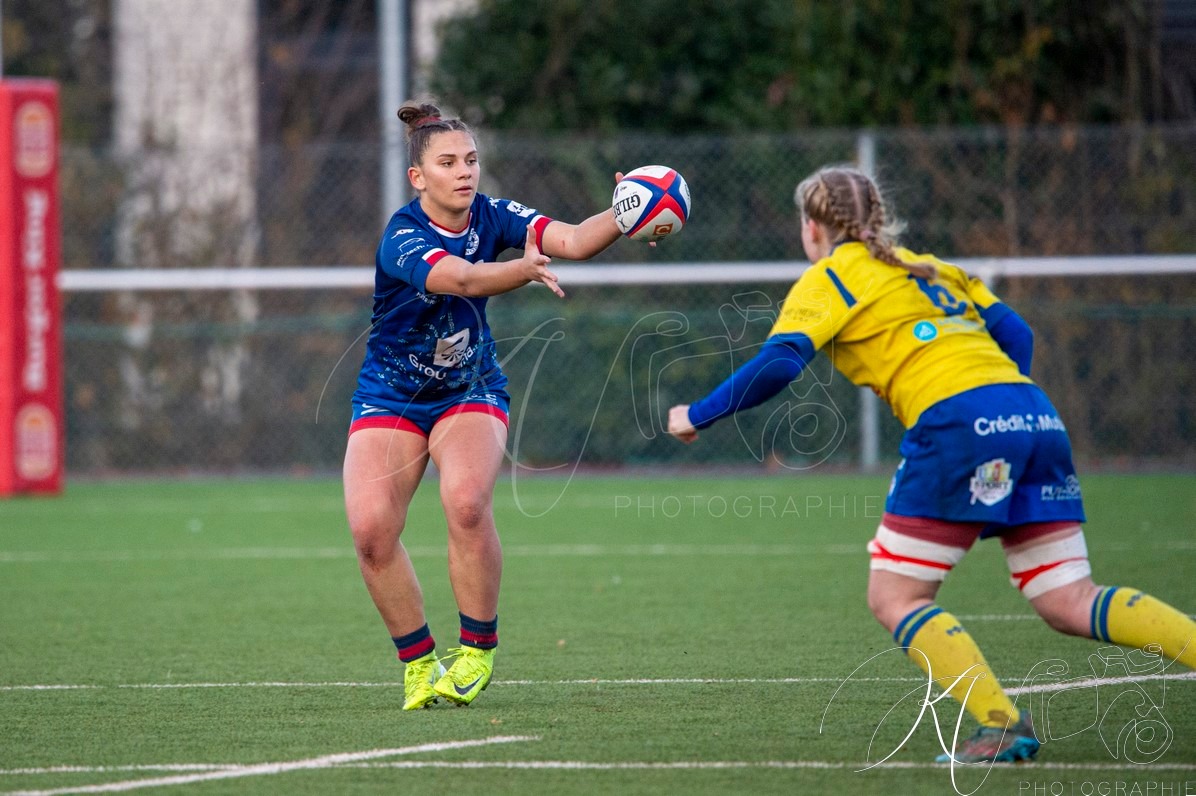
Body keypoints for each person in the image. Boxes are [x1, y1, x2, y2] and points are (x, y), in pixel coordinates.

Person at [666, 165, 1196, 762]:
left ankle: (1001, 723)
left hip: (959, 426)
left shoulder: (829, 277)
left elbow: (780, 364)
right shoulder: (932, 267)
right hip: (1033, 413)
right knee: (1069, 598)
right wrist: (995, 395)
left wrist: (698, 414)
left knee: (896, 595)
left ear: (812, 228)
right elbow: (1016, 334)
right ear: (878, 217)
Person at [345, 100, 629, 710]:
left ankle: (476, 649)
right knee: (371, 532)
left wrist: (627, 209)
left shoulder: (494, 214)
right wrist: (523, 271)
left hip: (468, 390)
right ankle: (418, 662)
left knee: (467, 503)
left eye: (471, 159)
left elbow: (576, 240)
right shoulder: (402, 236)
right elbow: (466, 280)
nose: (464, 171)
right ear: (418, 178)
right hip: (391, 396)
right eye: (447, 162)